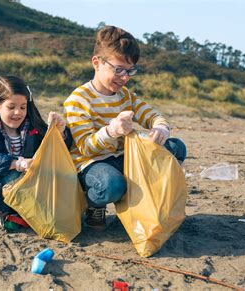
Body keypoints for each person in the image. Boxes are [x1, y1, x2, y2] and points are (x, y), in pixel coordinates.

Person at [63, 26, 187, 230]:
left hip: (123, 158)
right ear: (97, 63)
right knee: (112, 185)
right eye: (118, 69)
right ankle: (94, 203)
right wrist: (111, 131)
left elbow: (152, 115)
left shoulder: (125, 95)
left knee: (176, 147)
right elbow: (85, 147)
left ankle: (147, 201)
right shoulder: (78, 99)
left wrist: (161, 127)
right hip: (91, 164)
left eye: (130, 71)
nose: (124, 77)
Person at [0, 75, 72, 235]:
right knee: (13, 174)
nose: (17, 112)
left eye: (23, 107)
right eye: (11, 107)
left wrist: (60, 131)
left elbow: (60, 148)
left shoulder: (31, 125)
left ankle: (23, 214)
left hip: (29, 187)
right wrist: (18, 163)